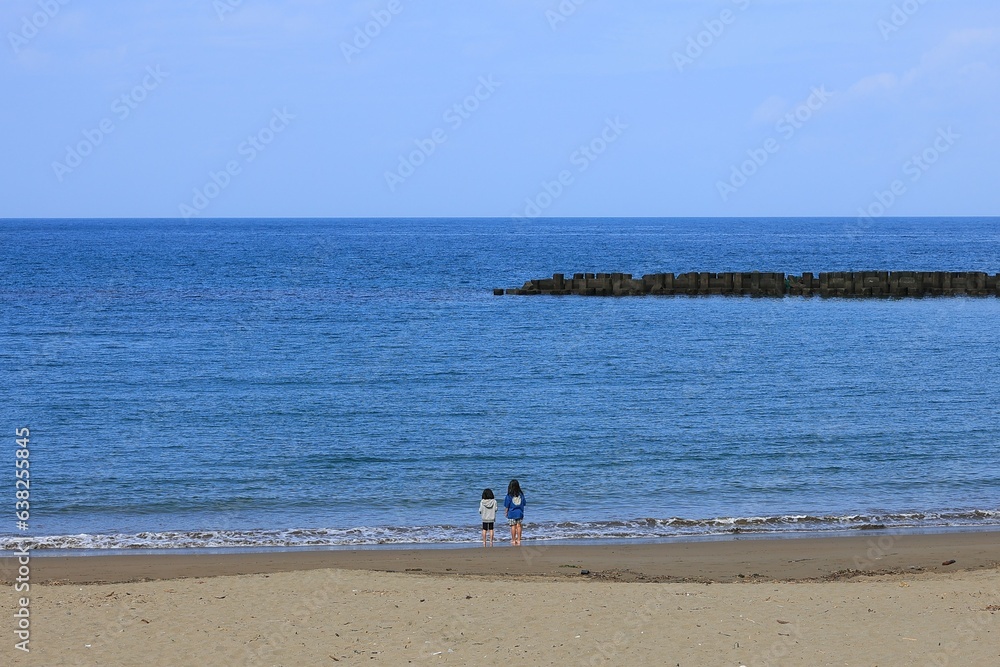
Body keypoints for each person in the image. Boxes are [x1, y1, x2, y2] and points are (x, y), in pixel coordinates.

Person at [503, 479, 525, 546]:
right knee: (519, 526)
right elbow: (524, 503)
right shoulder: (521, 494)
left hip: (512, 513)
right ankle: (518, 539)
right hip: (520, 512)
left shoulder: (509, 495)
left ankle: (513, 539)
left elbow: (507, 505)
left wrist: (506, 512)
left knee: (513, 526)